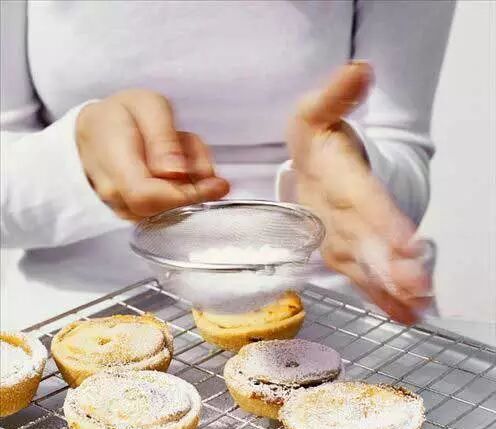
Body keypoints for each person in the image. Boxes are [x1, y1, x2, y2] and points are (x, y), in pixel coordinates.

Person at [1, 0, 455, 324]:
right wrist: (74, 167)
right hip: (77, 318)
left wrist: (357, 172)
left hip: (333, 311)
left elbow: (400, 145)